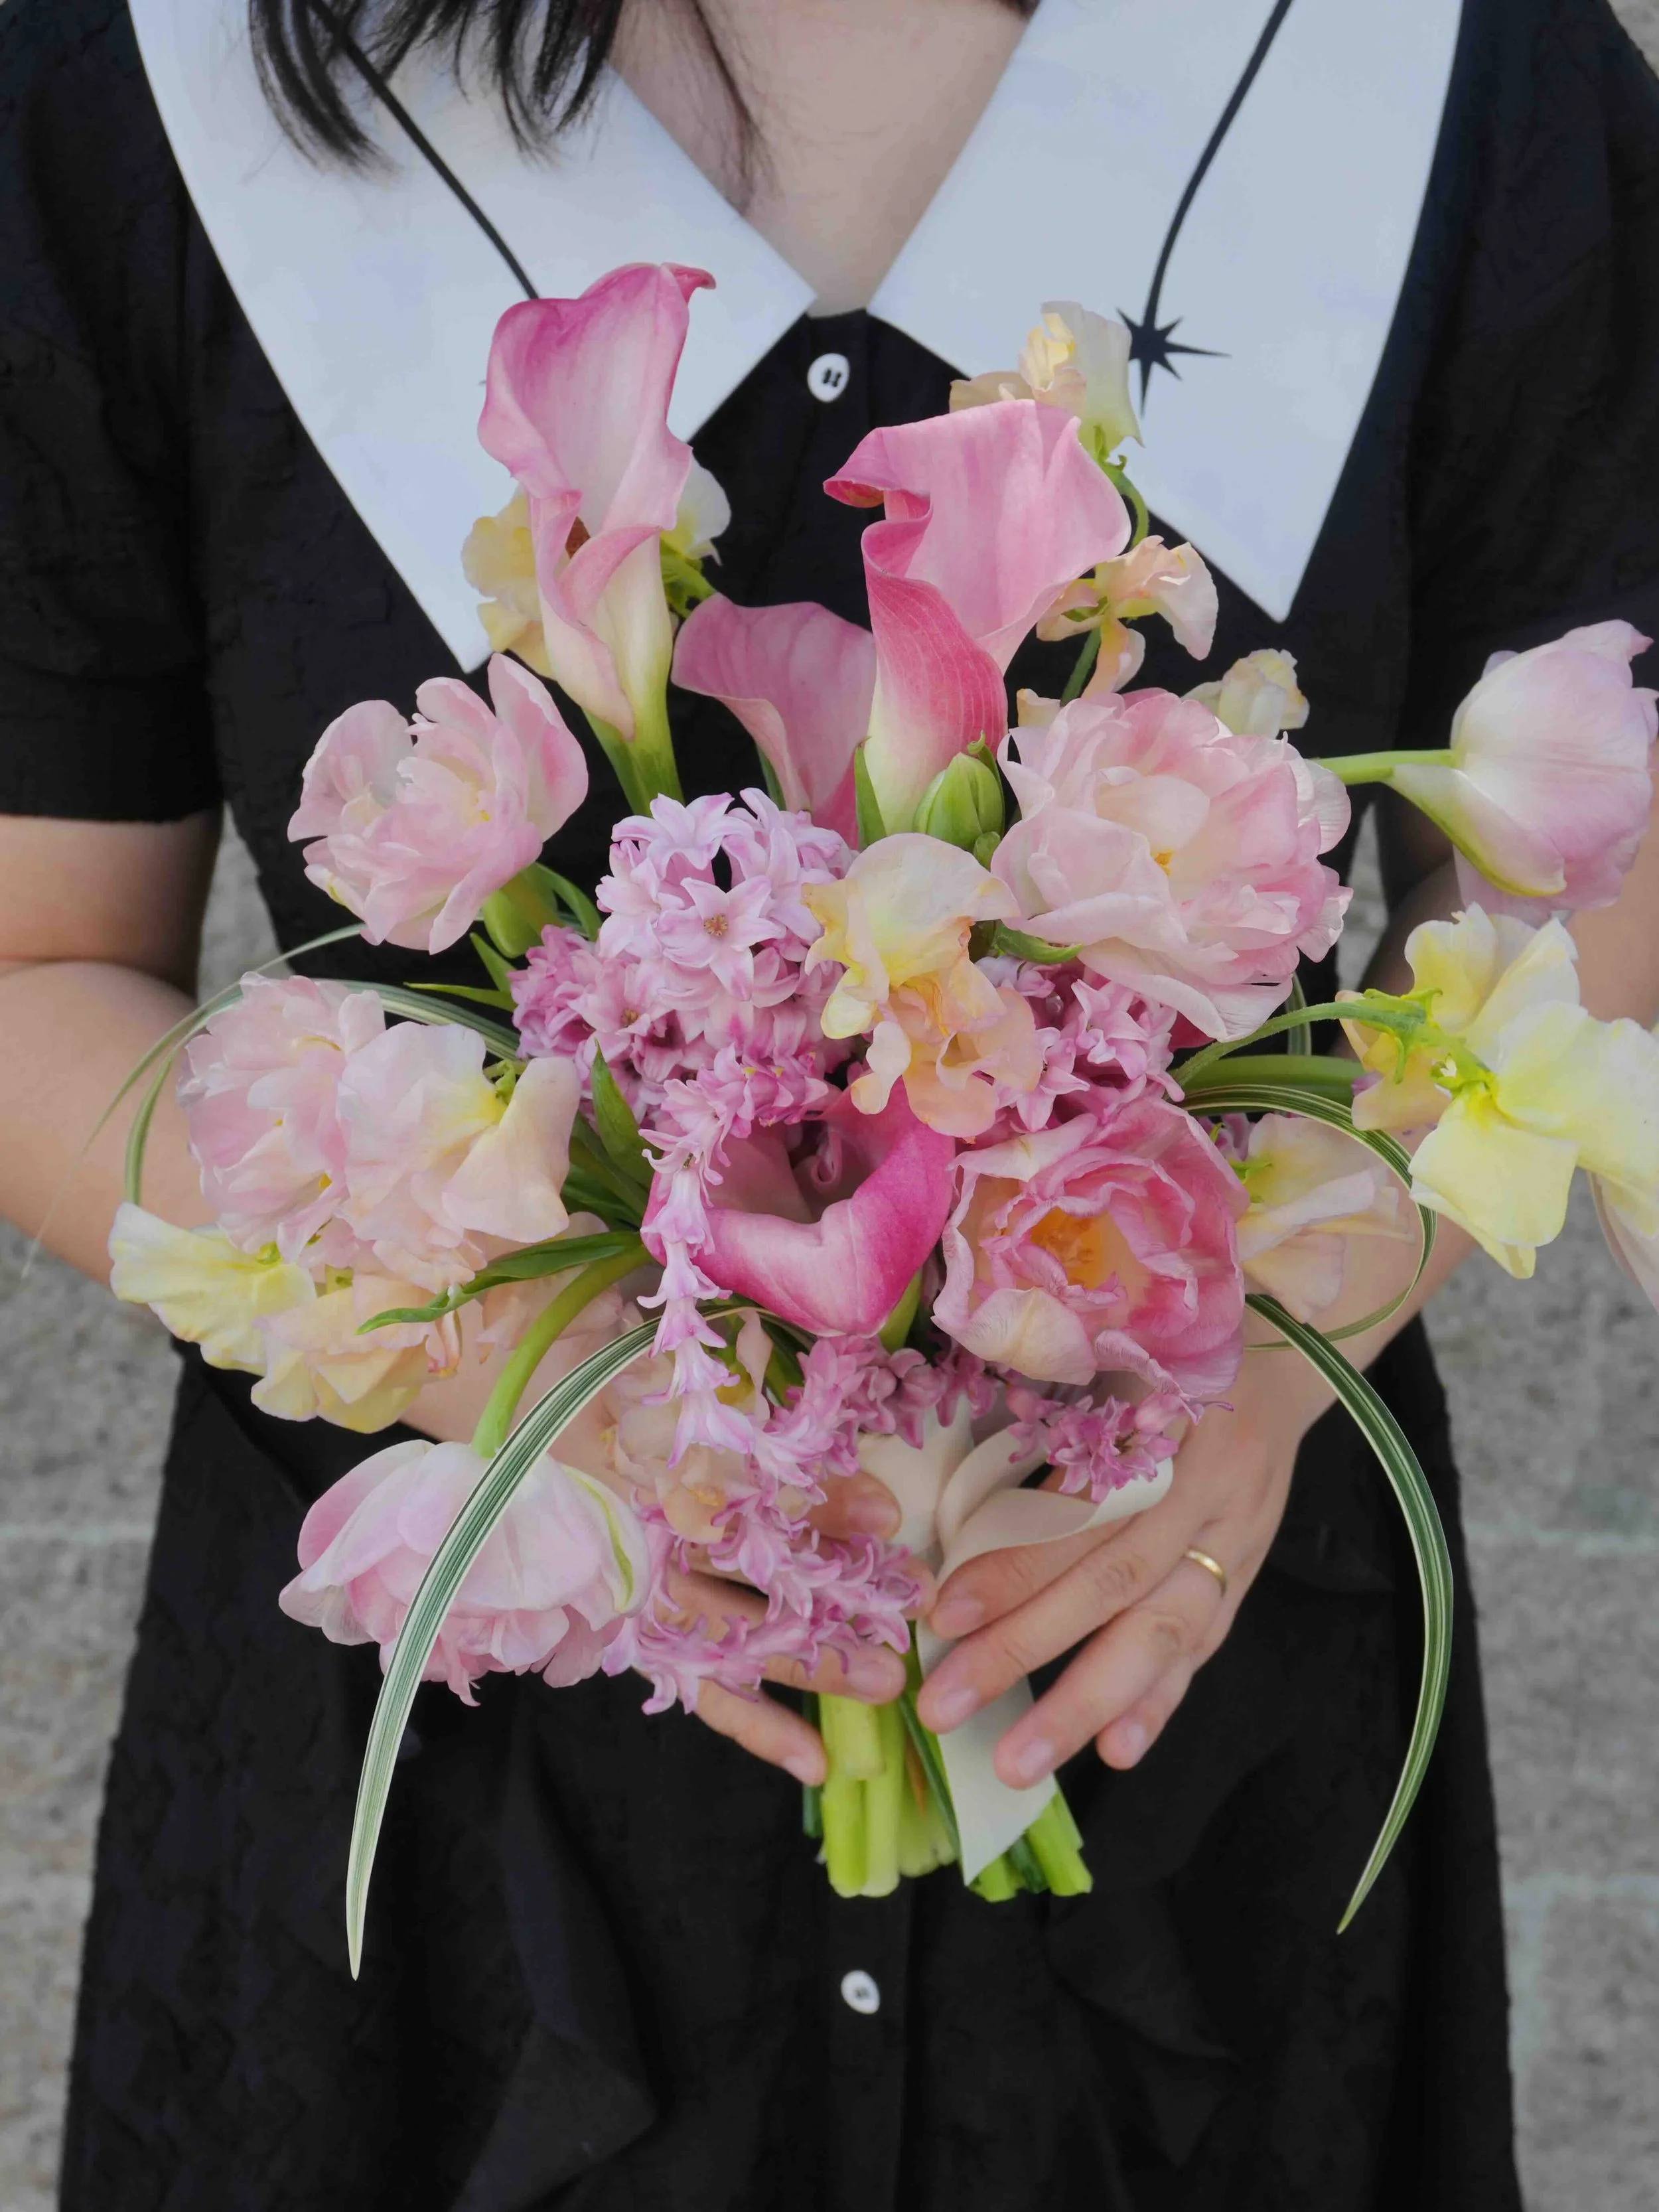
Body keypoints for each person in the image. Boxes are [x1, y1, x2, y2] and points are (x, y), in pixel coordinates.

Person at [1, 0, 1656, 2205]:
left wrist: (1258, 1339)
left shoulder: (1428, 67)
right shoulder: (163, 80)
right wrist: (524, 1354)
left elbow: (1586, 914)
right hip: (466, 1794)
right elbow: (36, 965)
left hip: (1166, 1730)